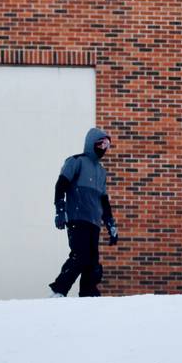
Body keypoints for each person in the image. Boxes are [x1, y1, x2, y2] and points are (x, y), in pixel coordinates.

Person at [49, 127, 118, 298]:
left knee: (92, 262)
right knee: (80, 256)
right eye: (102, 144)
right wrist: (60, 210)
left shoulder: (101, 172)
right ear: (92, 144)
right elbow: (61, 186)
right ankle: (59, 290)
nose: (104, 148)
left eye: (107, 145)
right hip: (77, 218)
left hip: (93, 222)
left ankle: (89, 295)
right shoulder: (76, 162)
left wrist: (110, 224)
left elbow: (104, 201)